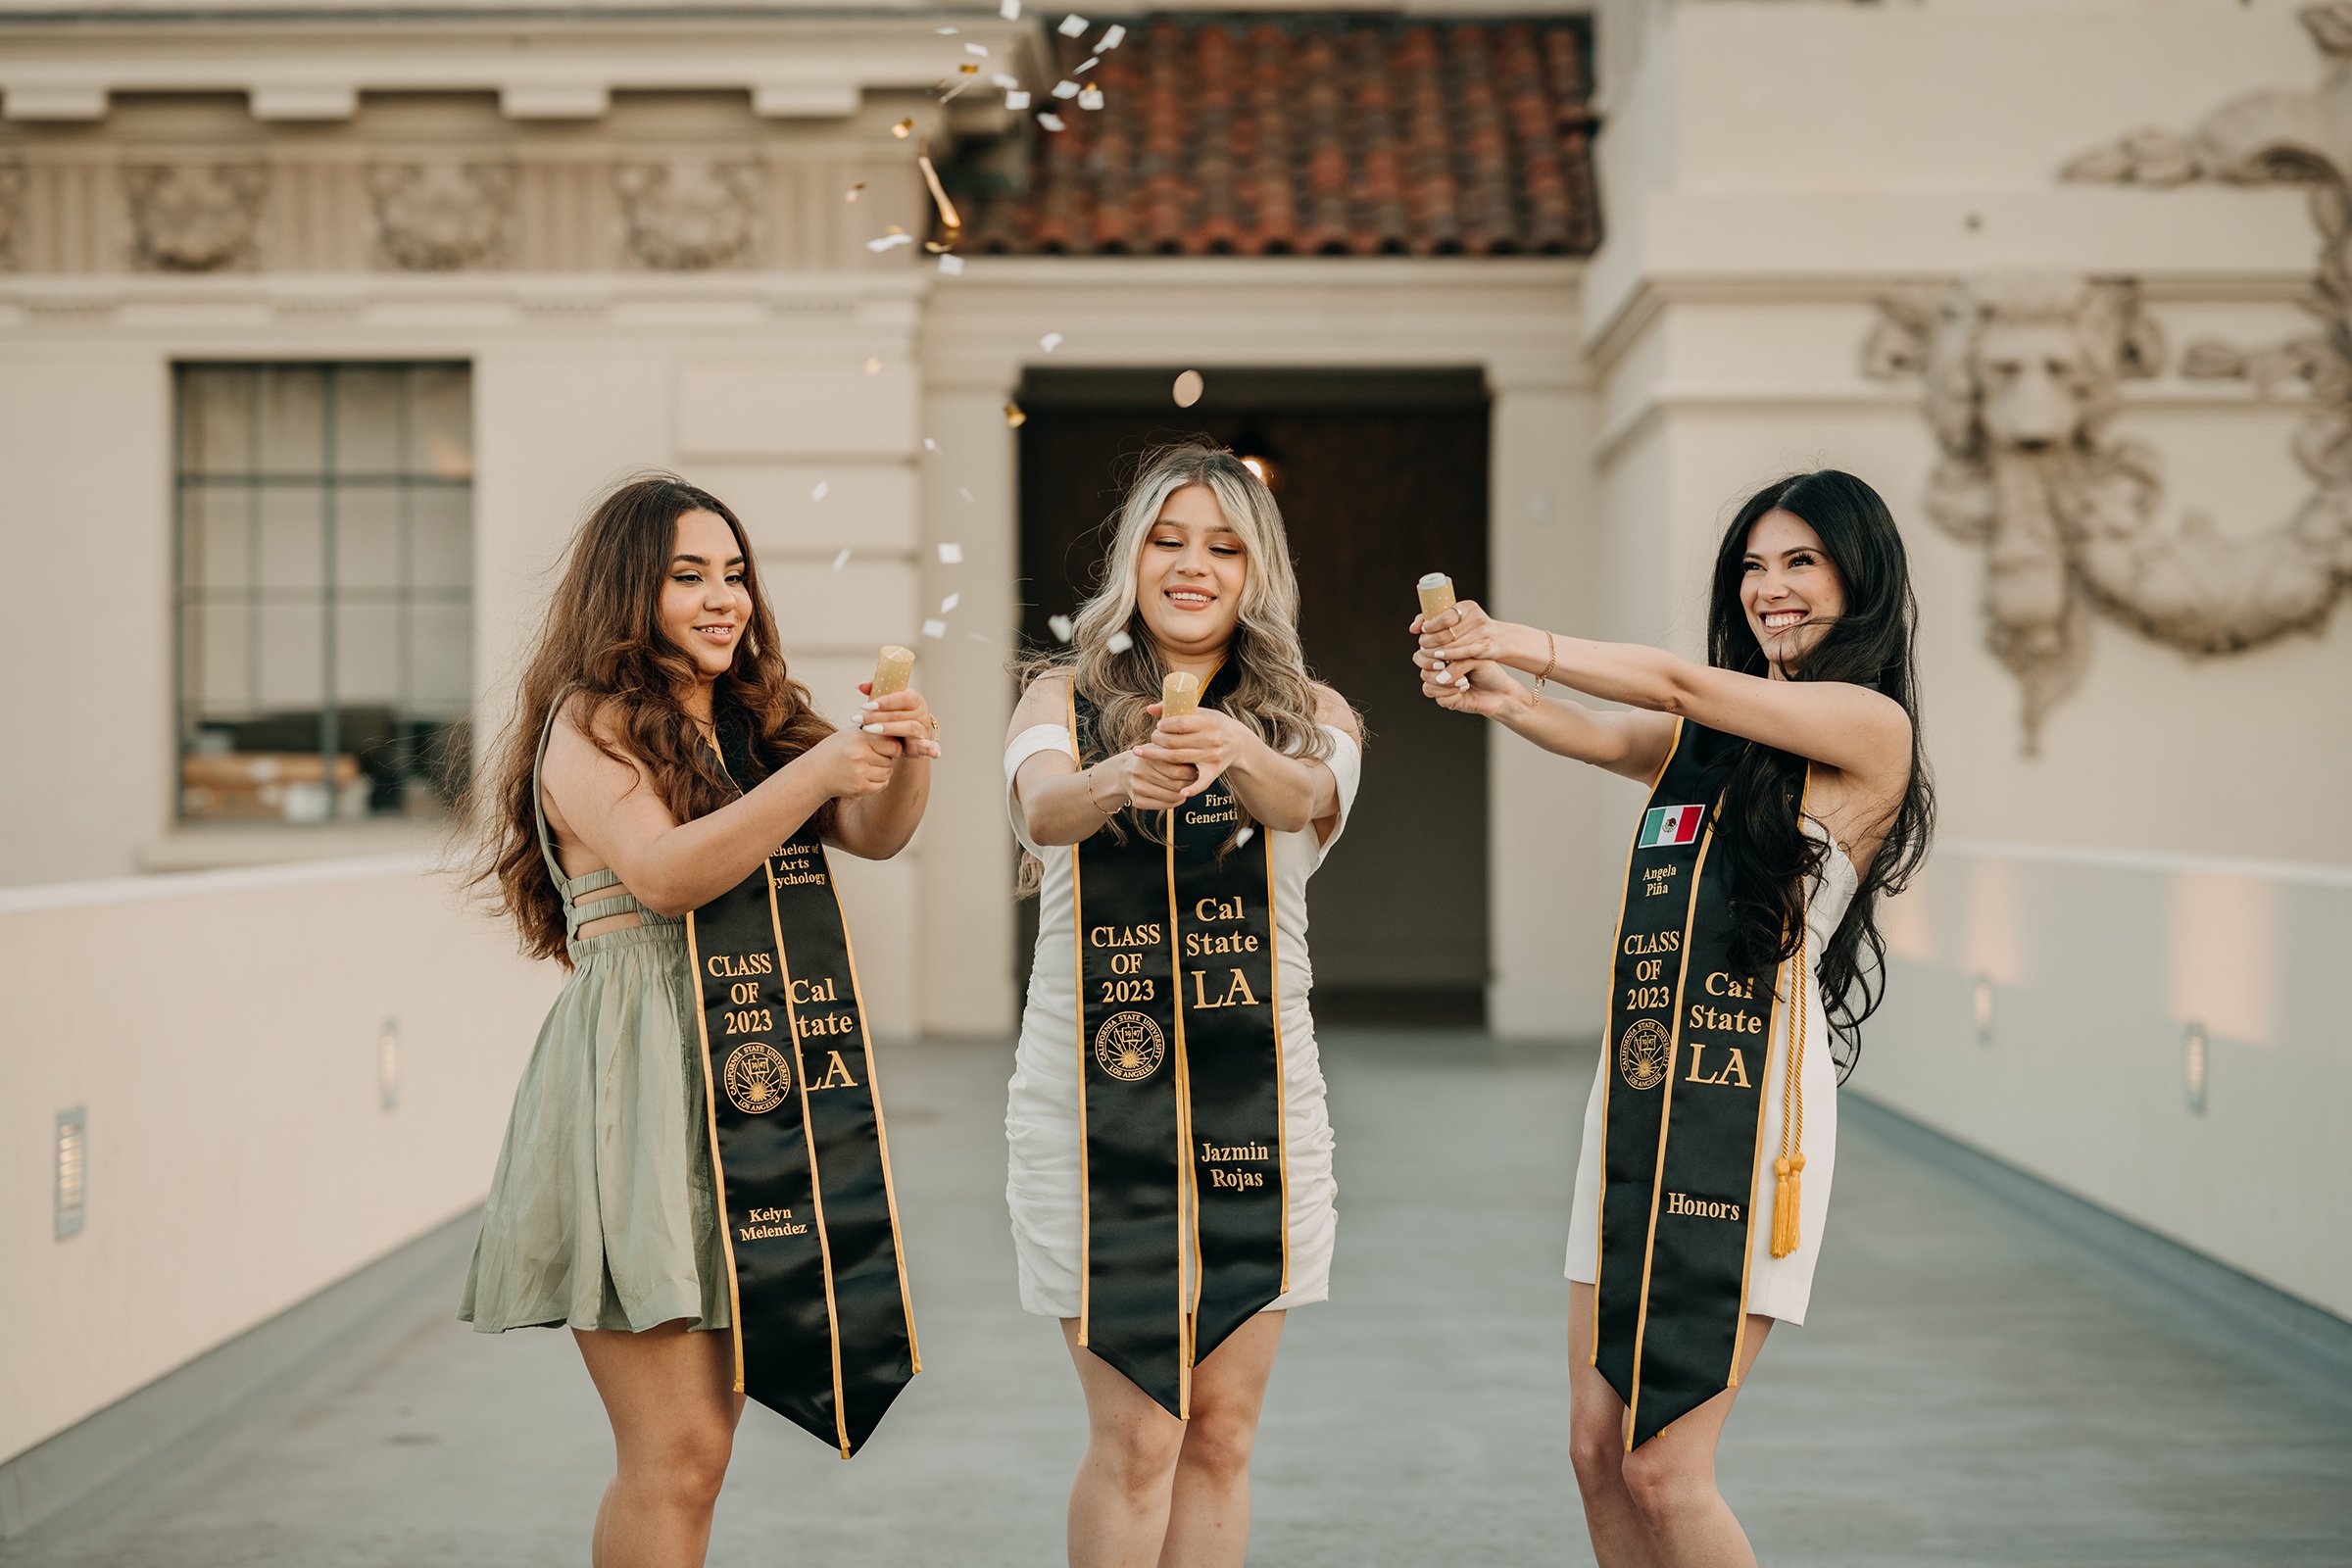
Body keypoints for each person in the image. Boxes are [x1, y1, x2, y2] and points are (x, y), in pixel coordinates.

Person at [1412, 469, 1933, 1568]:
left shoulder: (1865, 725)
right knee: (1597, 1450)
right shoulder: (1719, 739)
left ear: (1860, 578)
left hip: (1747, 1123)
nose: (1769, 588)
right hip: (1640, 1106)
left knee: (1665, 1466)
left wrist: (1509, 638)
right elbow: (1611, 736)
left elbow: (1670, 685)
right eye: (1753, 565)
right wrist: (1497, 694)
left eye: (1800, 562)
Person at [460, 473, 937, 1568]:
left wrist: (898, 756)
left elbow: (871, 830)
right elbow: (667, 874)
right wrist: (818, 766)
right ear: (630, 591)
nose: (724, 598)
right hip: (639, 1083)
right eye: (689, 577)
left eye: (734, 574)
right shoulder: (592, 722)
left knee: (703, 1454)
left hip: (747, 1084)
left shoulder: (754, 718)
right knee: (673, 1453)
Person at [1004, 441, 1363, 1568]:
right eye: (1169, 539)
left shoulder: (1314, 715)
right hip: (1091, 1114)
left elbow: (1309, 798)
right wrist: (1123, 774)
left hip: (1262, 1113)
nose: (1193, 565)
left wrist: (1239, 749)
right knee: (1139, 1432)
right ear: (1133, 557)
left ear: (1261, 570)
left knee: (1223, 1433)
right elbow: (1043, 810)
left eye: (1224, 545)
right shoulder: (1058, 696)